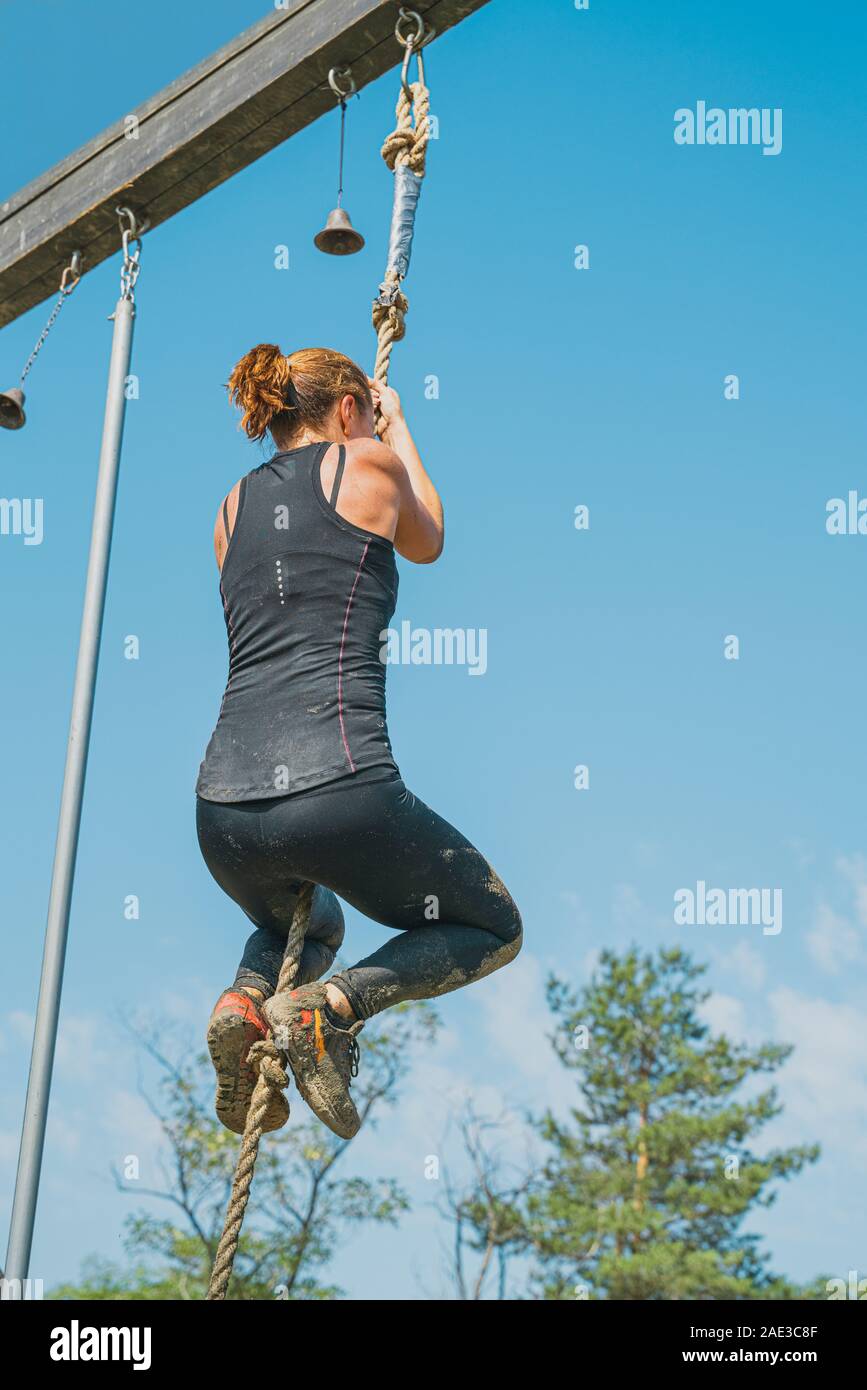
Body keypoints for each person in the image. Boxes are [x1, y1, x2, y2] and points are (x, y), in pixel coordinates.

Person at [195, 344, 522, 1141]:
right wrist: (398, 427)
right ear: (348, 411)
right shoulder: (366, 461)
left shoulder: (230, 508)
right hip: (336, 788)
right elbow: (428, 537)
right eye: (366, 414)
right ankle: (331, 1009)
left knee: (305, 925)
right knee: (492, 928)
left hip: (225, 817)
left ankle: (244, 999)